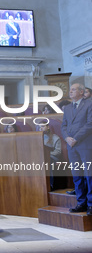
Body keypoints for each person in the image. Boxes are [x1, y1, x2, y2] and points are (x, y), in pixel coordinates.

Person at [61, 83, 92, 216]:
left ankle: (91, 204)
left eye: (74, 89)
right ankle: (81, 203)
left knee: (88, 175)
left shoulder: (89, 104)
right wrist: (67, 138)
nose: (71, 91)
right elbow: (63, 126)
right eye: (70, 90)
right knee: (77, 175)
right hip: (71, 146)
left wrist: (75, 138)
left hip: (84, 144)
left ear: (81, 91)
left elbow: (90, 123)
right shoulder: (67, 107)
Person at [39, 121, 62, 190]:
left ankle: (50, 184)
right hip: (40, 157)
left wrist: (47, 154)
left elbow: (58, 152)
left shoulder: (55, 138)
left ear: (48, 127)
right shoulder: (37, 138)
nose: (40, 128)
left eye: (43, 126)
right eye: (39, 127)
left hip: (52, 157)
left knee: (48, 162)